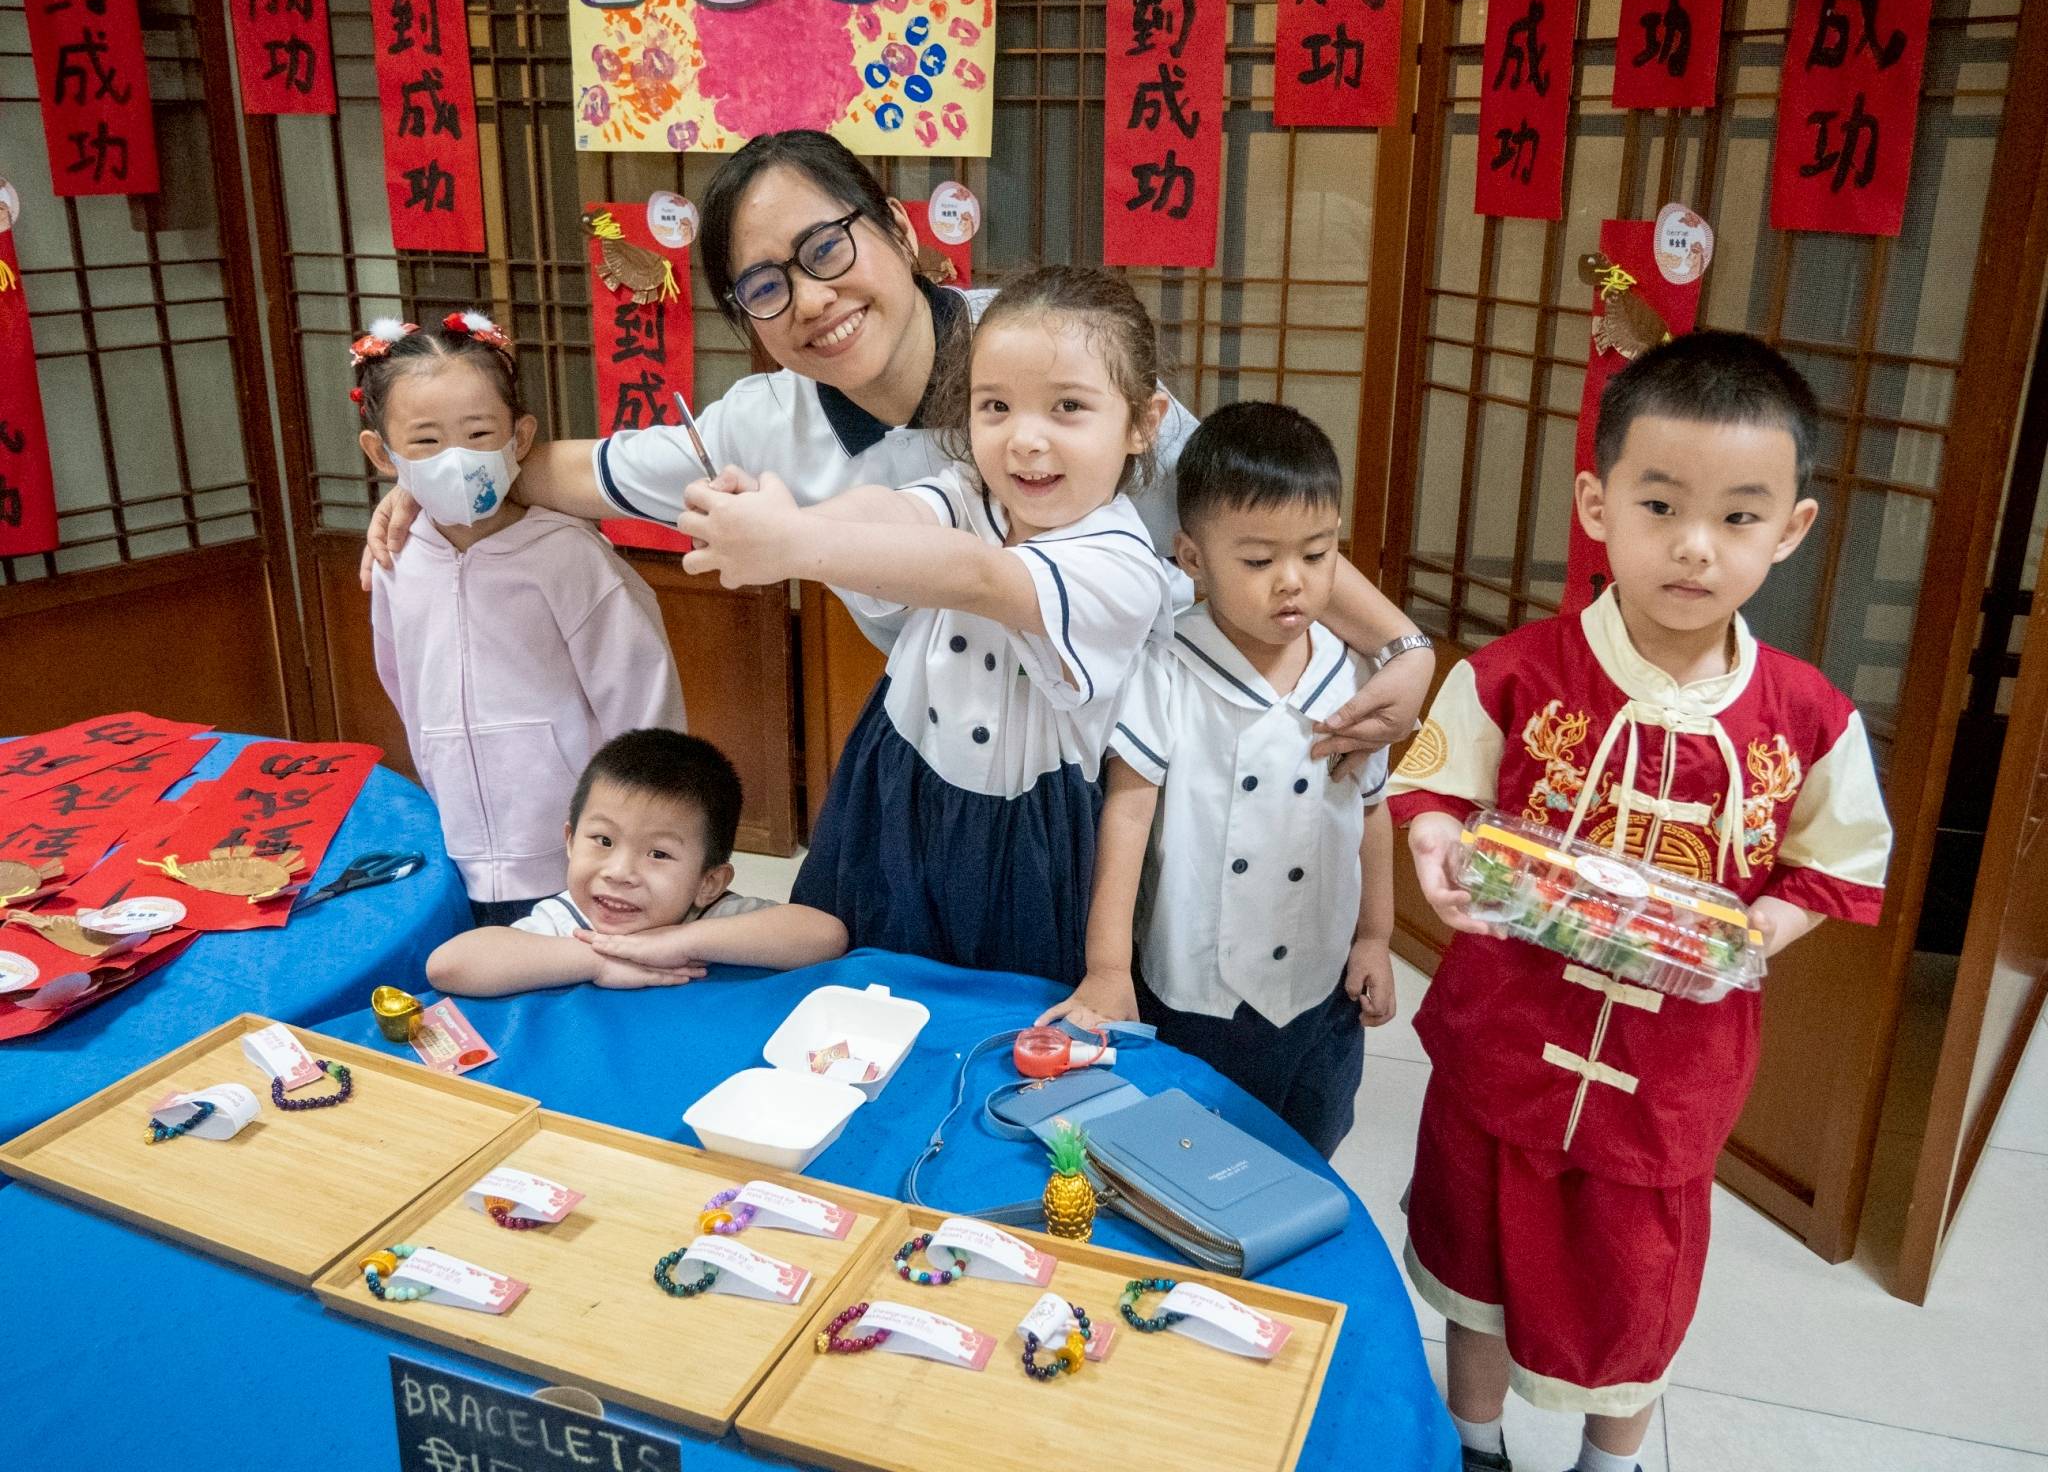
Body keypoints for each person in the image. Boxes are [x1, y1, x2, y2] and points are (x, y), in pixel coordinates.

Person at [359, 130, 1434, 764]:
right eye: (766, 285)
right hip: (939, 759)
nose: (814, 299)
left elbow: (1243, 516)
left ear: (899, 232)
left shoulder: (1047, 357)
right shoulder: (761, 421)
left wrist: (1399, 647)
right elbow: (575, 470)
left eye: (827, 246)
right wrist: (446, 478)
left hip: (1137, 753)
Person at [1389, 332, 1893, 1472]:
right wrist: (1430, 841)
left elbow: (1835, 862)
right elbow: (1431, 778)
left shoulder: (1806, 717)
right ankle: (1472, 1444)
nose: (1692, 548)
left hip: (1668, 1077)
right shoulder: (1515, 671)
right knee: (1471, 1257)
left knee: (1636, 1280)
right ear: (1595, 501)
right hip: (1503, 1037)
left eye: (1737, 517)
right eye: (1658, 504)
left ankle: (1608, 1462)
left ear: (1790, 532)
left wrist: (1763, 925)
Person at [677, 266, 1173, 984]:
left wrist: (792, 546)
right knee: (857, 986)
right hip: (893, 780)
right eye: (995, 406)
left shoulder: (1124, 566)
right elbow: (895, 514)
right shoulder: (970, 488)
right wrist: (787, 523)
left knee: (996, 1018)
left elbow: (976, 576)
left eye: (1067, 407)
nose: (1024, 441)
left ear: (1142, 423)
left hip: (1024, 837)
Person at [1055, 402, 1398, 1157]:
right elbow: (1128, 814)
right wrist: (1108, 966)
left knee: (1307, 1147)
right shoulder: (1169, 665)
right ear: (1192, 558)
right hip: (1197, 986)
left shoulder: (1355, 673)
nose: (1292, 584)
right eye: (1257, 560)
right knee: (1188, 1156)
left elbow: (1372, 812)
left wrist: (1375, 936)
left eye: (1316, 555)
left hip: (1319, 985)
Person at [355, 311, 684, 926]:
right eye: (425, 442)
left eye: (479, 433)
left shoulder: (567, 555)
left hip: (574, 850)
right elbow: (402, 683)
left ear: (520, 437)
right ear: (382, 452)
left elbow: (644, 702)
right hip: (458, 841)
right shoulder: (396, 557)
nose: (455, 458)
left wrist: (642, 838)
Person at [426, 729, 847, 996]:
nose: (620, 872)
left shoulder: (711, 915)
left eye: (658, 854)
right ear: (570, 840)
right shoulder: (569, 922)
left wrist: (681, 942)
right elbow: (448, 966)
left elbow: (825, 936)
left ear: (709, 882)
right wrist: (595, 962)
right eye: (603, 840)